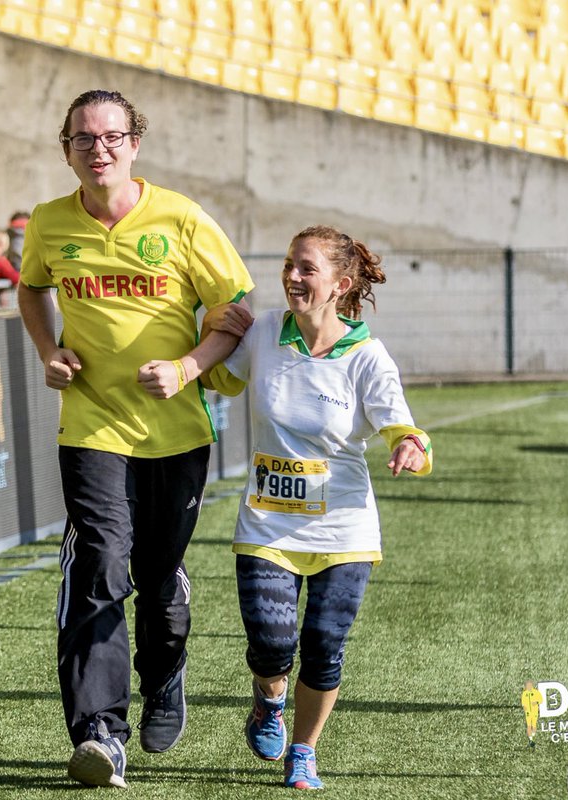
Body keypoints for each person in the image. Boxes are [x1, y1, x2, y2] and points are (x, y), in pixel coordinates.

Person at [17, 89, 255, 789]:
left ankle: (167, 672)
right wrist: (46, 349)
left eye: (113, 137)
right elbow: (33, 290)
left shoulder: (181, 217)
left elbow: (236, 308)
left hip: (177, 434)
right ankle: (100, 732)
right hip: (90, 425)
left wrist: (188, 366)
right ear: (66, 148)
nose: (100, 149)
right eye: (85, 139)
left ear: (135, 144)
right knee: (98, 565)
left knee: (155, 581)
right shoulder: (50, 223)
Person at [201, 225, 432, 791]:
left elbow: (403, 427)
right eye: (289, 264)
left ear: (340, 284)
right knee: (272, 645)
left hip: (344, 530)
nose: (292, 276)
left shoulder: (367, 356)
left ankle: (304, 750)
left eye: (307, 268)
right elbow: (217, 379)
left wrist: (409, 446)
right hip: (267, 525)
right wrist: (209, 331)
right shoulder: (263, 338)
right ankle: (268, 701)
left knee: (324, 645)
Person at [521, 681, 543, 749]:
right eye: (527, 686)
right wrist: (524, 706)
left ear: (532, 686)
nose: (528, 687)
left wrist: (536, 702)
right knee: (529, 725)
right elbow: (523, 701)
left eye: (529, 685)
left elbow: (541, 700)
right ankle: (531, 739)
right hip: (528, 712)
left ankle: (533, 735)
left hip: (534, 712)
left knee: (534, 725)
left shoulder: (536, 692)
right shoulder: (525, 693)